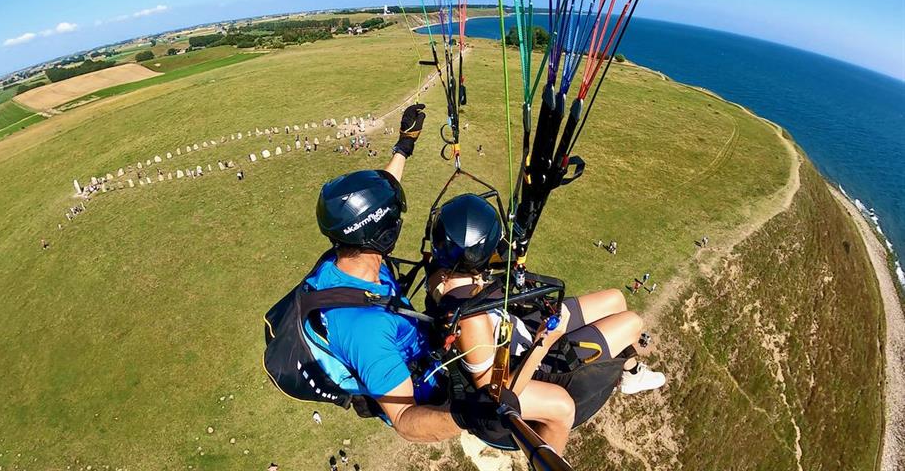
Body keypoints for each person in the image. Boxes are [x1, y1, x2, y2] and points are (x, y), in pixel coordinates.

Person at [275, 103, 518, 445]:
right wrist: (467, 417)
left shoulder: (343, 257)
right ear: (384, 235)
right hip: (430, 390)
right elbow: (404, 419)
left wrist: (404, 146)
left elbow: (373, 205)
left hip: (401, 329)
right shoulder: (365, 331)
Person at [426, 194, 666, 452]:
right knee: (632, 323)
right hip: (529, 361)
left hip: (518, 330)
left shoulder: (443, 273)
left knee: (615, 300)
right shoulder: (471, 320)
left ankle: (631, 374)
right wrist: (543, 343)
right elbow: (496, 393)